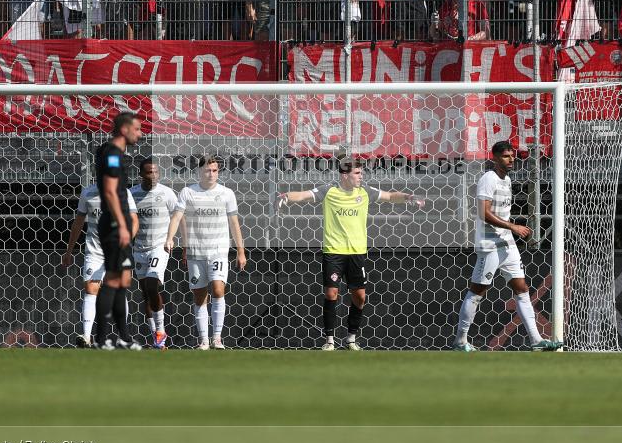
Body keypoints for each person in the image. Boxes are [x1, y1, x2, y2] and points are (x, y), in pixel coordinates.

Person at [277, 158, 424, 351]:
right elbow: (304, 195)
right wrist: (287, 195)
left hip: (357, 253)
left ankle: (351, 338)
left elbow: (389, 196)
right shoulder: (328, 191)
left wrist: (407, 197)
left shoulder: (365, 192)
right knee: (331, 293)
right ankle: (329, 340)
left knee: (360, 297)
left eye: (361, 173)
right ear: (345, 175)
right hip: (334, 251)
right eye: (357, 173)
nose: (361, 177)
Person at [454, 141, 562, 352]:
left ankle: (536, 340)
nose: (511, 159)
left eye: (512, 156)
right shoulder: (488, 179)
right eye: (506, 156)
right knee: (477, 291)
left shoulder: (508, 180)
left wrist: (511, 230)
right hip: (490, 244)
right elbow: (483, 213)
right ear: (494, 157)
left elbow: (500, 212)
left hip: (507, 243)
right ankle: (460, 341)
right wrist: (513, 226)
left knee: (521, 288)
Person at [165, 156, 247, 350]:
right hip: (196, 251)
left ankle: (217, 338)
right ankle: (203, 339)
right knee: (200, 295)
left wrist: (240, 251)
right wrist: (170, 238)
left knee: (218, 289)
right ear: (199, 172)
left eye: (215, 171)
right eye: (208, 171)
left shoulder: (226, 193)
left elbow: (234, 223)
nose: (211, 174)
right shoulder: (188, 192)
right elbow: (176, 217)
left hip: (218, 250)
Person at [62, 182, 138, 348]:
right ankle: (87, 337)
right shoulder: (87, 193)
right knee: (90, 289)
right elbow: (78, 222)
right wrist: (69, 251)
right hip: (94, 251)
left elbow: (134, 220)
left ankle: (123, 336)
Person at [92, 111, 144, 350]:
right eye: (137, 129)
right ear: (124, 130)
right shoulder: (112, 154)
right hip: (114, 224)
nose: (140, 133)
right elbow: (111, 192)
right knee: (113, 279)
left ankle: (123, 337)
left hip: (116, 222)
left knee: (123, 279)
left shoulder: (115, 154)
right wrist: (122, 225)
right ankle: (101, 339)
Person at [130, 158, 179, 350]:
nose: (154, 176)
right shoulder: (132, 194)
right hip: (139, 248)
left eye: (156, 172)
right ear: (141, 174)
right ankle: (158, 342)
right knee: (145, 293)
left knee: (152, 285)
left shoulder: (166, 193)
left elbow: (178, 216)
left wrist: (174, 239)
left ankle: (161, 333)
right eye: (150, 172)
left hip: (160, 246)